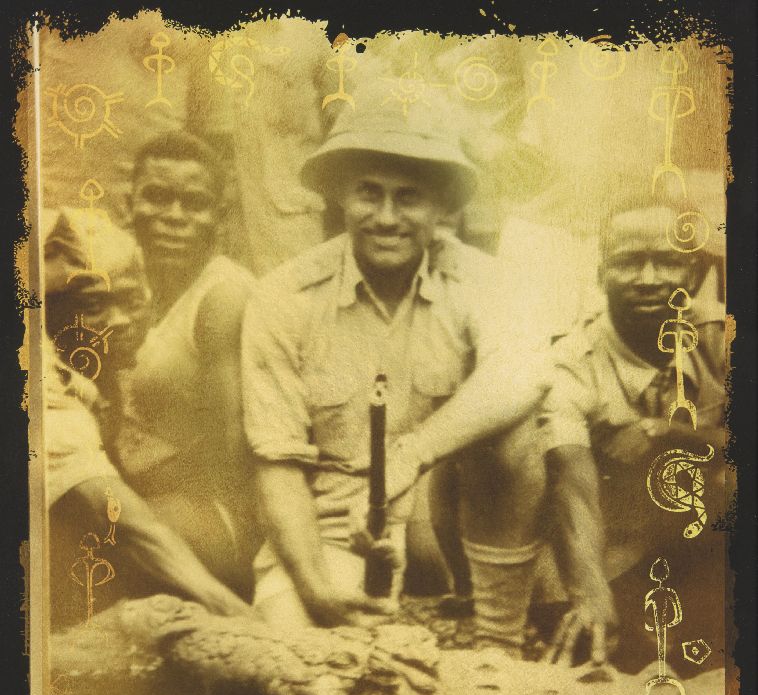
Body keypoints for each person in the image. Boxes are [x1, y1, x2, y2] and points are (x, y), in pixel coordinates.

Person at [240, 103, 548, 652]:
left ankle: (499, 640)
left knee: (516, 431)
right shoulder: (284, 297)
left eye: (409, 197)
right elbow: (277, 467)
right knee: (297, 660)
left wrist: (409, 456)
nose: (386, 217)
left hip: (446, 526)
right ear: (339, 196)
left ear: (442, 207)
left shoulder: (485, 280)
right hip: (335, 530)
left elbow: (523, 373)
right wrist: (314, 590)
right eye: (368, 193)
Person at [540, 192, 727, 670]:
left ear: (696, 273)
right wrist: (590, 591)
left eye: (667, 261)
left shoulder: (720, 337)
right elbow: (571, 481)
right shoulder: (572, 362)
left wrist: (670, 432)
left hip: (708, 538)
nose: (647, 280)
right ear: (601, 273)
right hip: (616, 555)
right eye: (627, 263)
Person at [43, 210, 251, 629]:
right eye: (93, 306)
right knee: (182, 534)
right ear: (46, 311)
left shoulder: (95, 366)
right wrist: (243, 617)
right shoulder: (41, 384)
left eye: (132, 301)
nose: (120, 321)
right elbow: (129, 524)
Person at [111, 131, 259, 599]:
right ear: (128, 203)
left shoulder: (222, 298)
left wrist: (136, 492)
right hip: (135, 499)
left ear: (219, 218)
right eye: (157, 197)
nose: (174, 217)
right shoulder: (117, 281)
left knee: (108, 536)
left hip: (217, 514)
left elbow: (235, 449)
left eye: (194, 204)